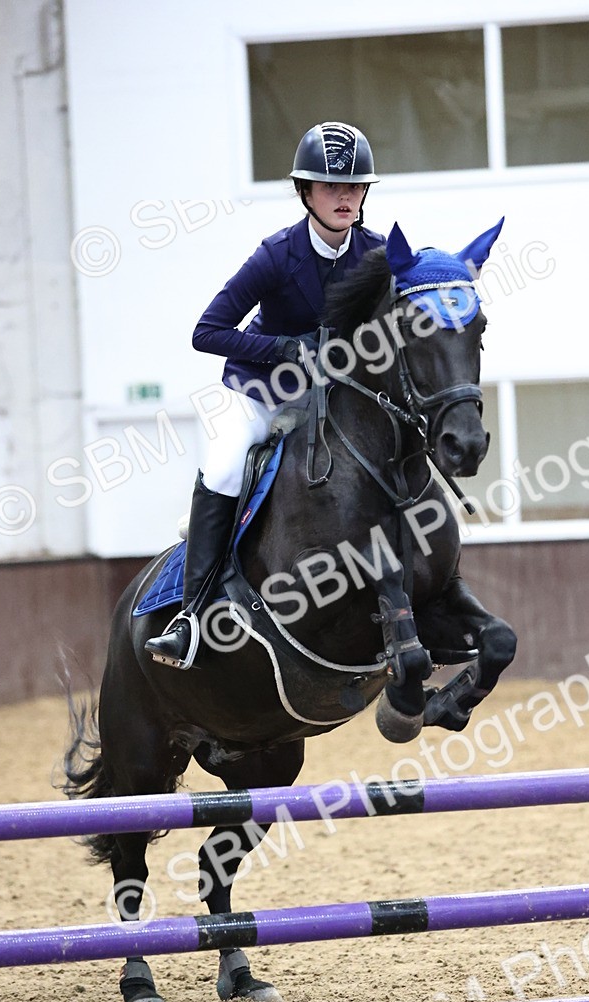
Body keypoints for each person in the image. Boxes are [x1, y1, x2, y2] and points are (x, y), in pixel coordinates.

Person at [146, 121, 385, 669]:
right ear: (306, 193)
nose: (345, 196)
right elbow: (205, 331)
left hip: (333, 403)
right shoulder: (277, 255)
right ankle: (191, 617)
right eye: (331, 186)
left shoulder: (375, 253)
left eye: (354, 186)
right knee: (228, 467)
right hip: (262, 395)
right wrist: (280, 348)